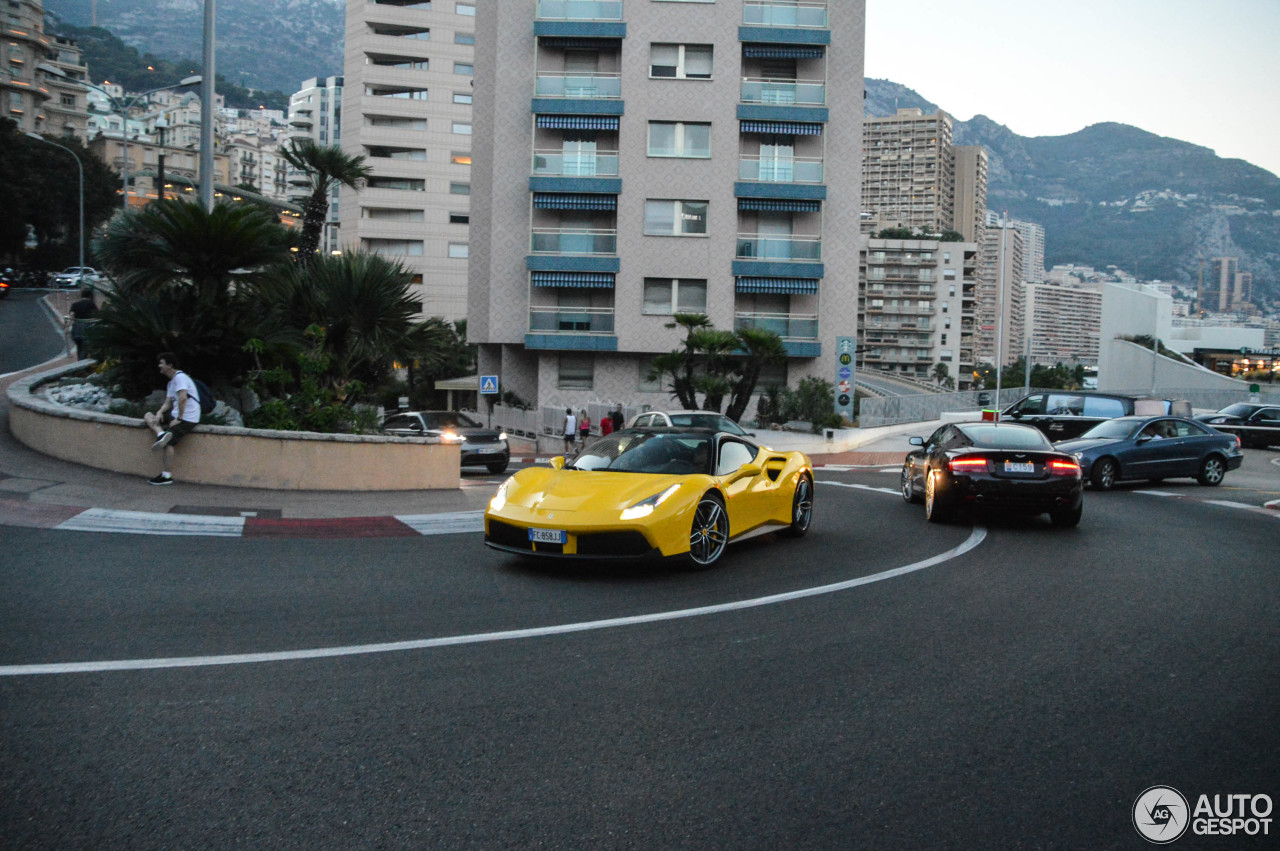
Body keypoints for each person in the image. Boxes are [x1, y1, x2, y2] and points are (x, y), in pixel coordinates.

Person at [143, 352, 202, 485]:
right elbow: (168, 402)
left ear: (170, 365)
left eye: (162, 363)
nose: (159, 366)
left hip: (188, 417)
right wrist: (160, 412)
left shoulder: (180, 377)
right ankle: (161, 434)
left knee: (169, 443)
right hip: (176, 415)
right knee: (148, 416)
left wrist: (179, 419)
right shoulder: (171, 383)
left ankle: (166, 476)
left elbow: (182, 398)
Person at [65, 288, 98, 360]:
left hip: (77, 329)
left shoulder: (75, 305)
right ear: (90, 296)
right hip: (88, 328)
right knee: (86, 348)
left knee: (79, 347)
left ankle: (80, 361)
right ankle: (83, 364)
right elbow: (97, 316)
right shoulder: (91, 304)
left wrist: (67, 326)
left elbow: (71, 315)